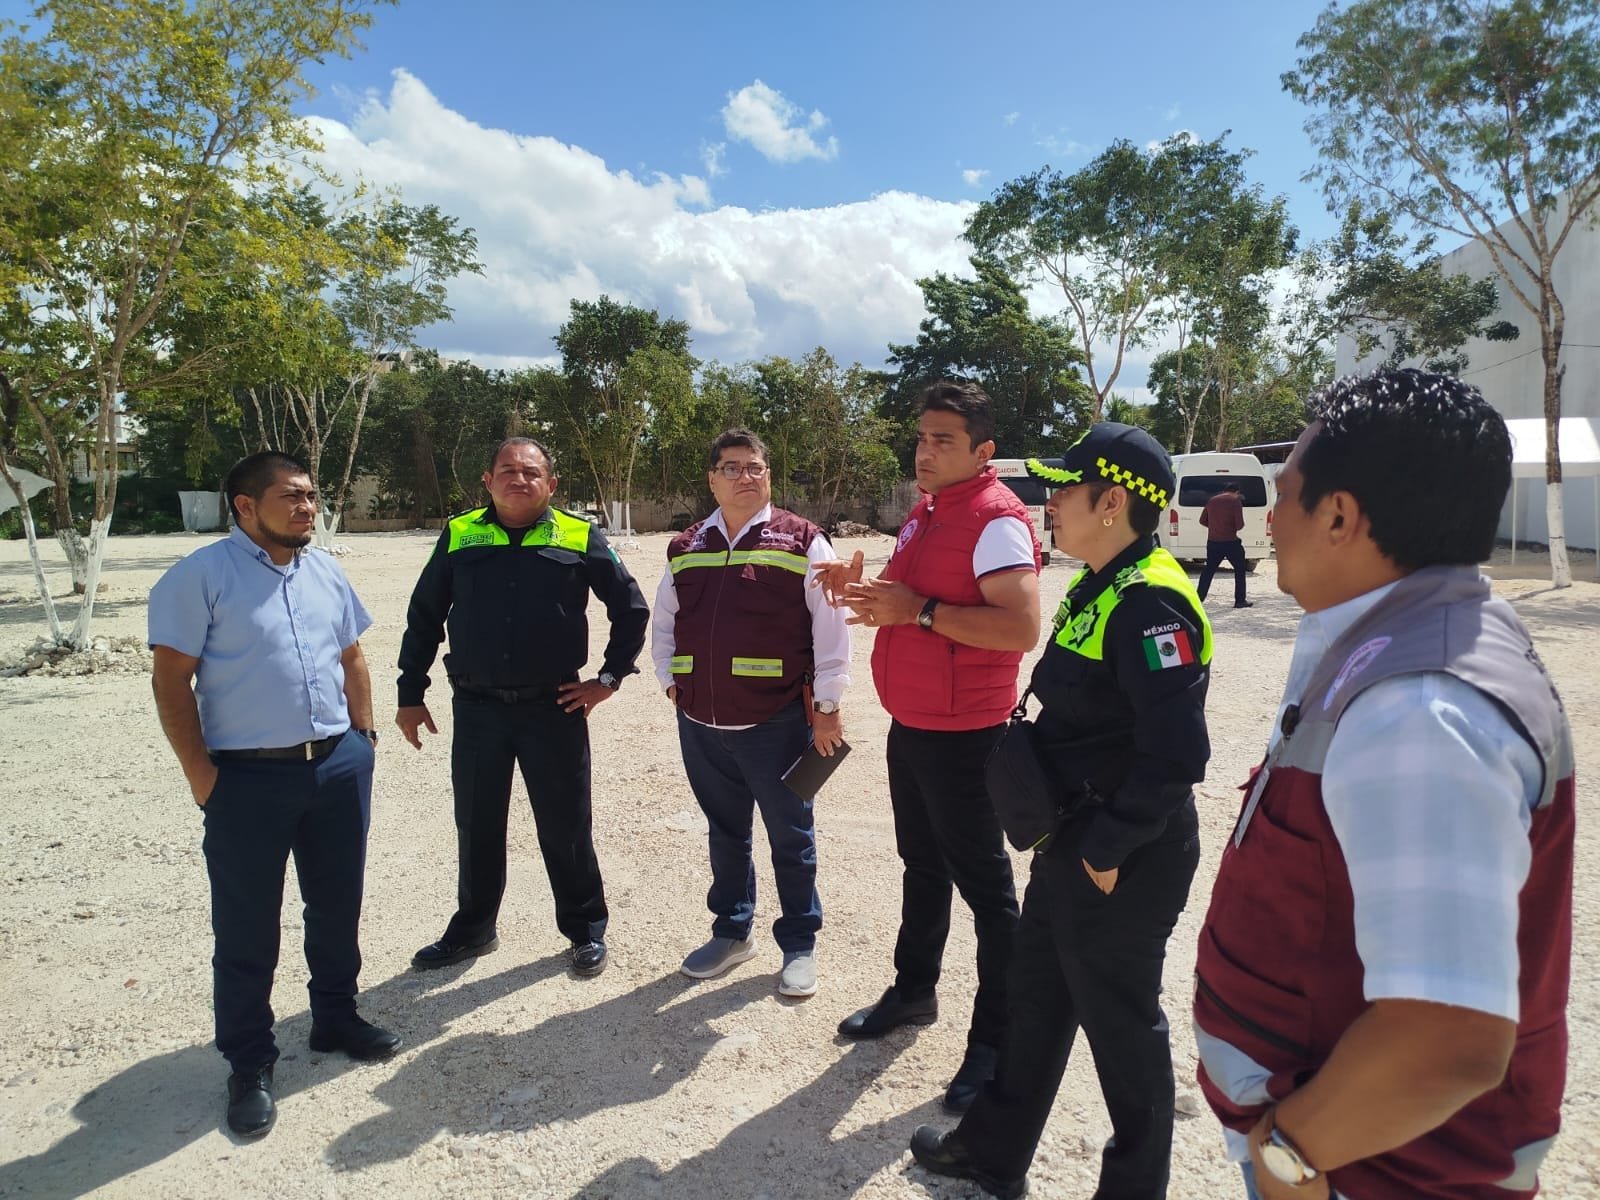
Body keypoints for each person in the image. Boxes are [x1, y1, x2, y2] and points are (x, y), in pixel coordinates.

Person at [1193, 370, 1575, 1200]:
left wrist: (1288, 1156)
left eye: (1286, 494)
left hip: (1371, 1174)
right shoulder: (1400, 636)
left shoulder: (1421, 706)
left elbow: (1447, 1038)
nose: (1269, 517)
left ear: (1340, 515)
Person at [908, 423, 1212, 1200]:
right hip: (1072, 837)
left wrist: (1105, 851)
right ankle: (992, 1152)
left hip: (1123, 852)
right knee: (1036, 994)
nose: (1048, 503)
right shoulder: (1103, 582)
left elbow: (1176, 758)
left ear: (1112, 502)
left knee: (1120, 1027)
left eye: (1062, 490)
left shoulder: (1152, 603)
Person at [149, 451, 399, 1138]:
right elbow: (171, 681)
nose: (306, 508)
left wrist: (364, 740)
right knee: (247, 927)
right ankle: (250, 1061)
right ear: (244, 506)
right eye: (291, 497)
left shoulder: (324, 569)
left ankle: (336, 1019)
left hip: (337, 768)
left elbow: (352, 656)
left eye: (312, 497)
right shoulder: (199, 577)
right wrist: (203, 777)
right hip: (247, 779)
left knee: (336, 903)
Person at [819, 380, 1040, 1114]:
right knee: (921, 866)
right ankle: (914, 992)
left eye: (944, 439)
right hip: (915, 726)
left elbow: (1017, 628)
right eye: (921, 436)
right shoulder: (928, 512)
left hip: (968, 736)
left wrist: (915, 611)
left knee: (988, 894)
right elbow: (915, 607)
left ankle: (997, 1042)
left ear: (984, 451)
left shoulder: (996, 521)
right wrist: (868, 592)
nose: (926, 450)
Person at [396, 437, 649, 979]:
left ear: (551, 485)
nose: (519, 479)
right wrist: (409, 693)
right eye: (507, 470)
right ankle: (473, 928)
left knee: (565, 825)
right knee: (478, 822)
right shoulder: (461, 534)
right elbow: (424, 615)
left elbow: (630, 608)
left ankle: (585, 930)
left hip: (553, 708)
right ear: (487, 481)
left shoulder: (578, 534)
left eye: (531, 472)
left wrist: (608, 678)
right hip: (478, 709)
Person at [650, 428, 851, 998]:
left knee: (791, 835)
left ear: (769, 476)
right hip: (701, 724)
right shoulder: (687, 546)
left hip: (778, 721)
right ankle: (733, 932)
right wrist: (671, 683)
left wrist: (829, 706)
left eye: (755, 467)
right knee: (726, 832)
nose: (745, 476)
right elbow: (665, 623)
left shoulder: (804, 541)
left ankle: (799, 945)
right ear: (712, 478)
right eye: (732, 467)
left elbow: (831, 630)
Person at [1197, 481, 1252, 608]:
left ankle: (1199, 597)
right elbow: (1239, 525)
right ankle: (1240, 600)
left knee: (1208, 571)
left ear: (1224, 490)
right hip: (1231, 542)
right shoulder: (1235, 501)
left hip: (1213, 542)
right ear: (1237, 492)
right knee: (1239, 570)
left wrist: (1215, 527)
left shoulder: (1212, 500)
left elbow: (1202, 520)